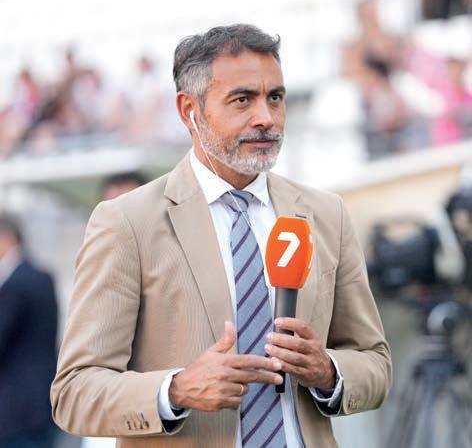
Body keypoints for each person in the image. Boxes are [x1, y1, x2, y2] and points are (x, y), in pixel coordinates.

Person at [51, 24, 392, 448]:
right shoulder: (126, 223)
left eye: (275, 98)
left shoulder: (326, 215)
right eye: (242, 100)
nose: (266, 118)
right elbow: (74, 393)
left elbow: (375, 363)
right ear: (188, 111)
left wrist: (328, 372)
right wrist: (175, 390)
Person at [0, 215, 58, 447]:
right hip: (39, 405)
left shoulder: (16, 284)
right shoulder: (40, 277)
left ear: (6, 238)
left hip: (17, 410)